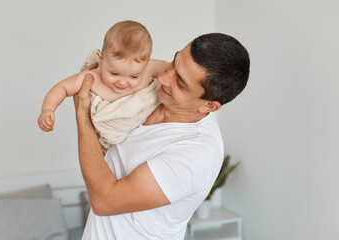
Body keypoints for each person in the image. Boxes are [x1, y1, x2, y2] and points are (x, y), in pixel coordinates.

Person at [75, 33, 250, 240]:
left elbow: (104, 201)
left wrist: (82, 113)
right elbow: (109, 150)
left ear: (208, 105)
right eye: (174, 63)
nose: (163, 78)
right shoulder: (156, 95)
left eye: (181, 82)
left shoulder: (196, 154)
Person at [38, 20, 168, 148]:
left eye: (134, 76)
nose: (122, 82)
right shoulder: (92, 78)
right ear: (101, 58)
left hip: (145, 136)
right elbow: (63, 87)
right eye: (114, 74)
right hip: (108, 143)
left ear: (146, 64)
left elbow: (173, 71)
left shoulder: (150, 69)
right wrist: (48, 109)